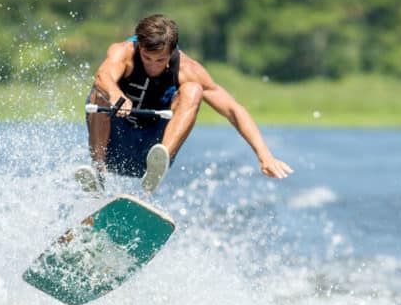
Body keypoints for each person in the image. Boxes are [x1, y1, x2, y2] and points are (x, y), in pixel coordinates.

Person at [79, 14, 293, 194]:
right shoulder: (123, 52)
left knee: (193, 89)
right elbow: (103, 76)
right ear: (139, 47)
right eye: (147, 58)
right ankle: (99, 171)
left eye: (160, 60)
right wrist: (116, 93)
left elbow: (233, 109)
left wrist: (265, 156)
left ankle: (158, 164)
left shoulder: (187, 69)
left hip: (151, 148)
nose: (153, 66)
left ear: (172, 52)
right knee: (100, 92)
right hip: (113, 144)